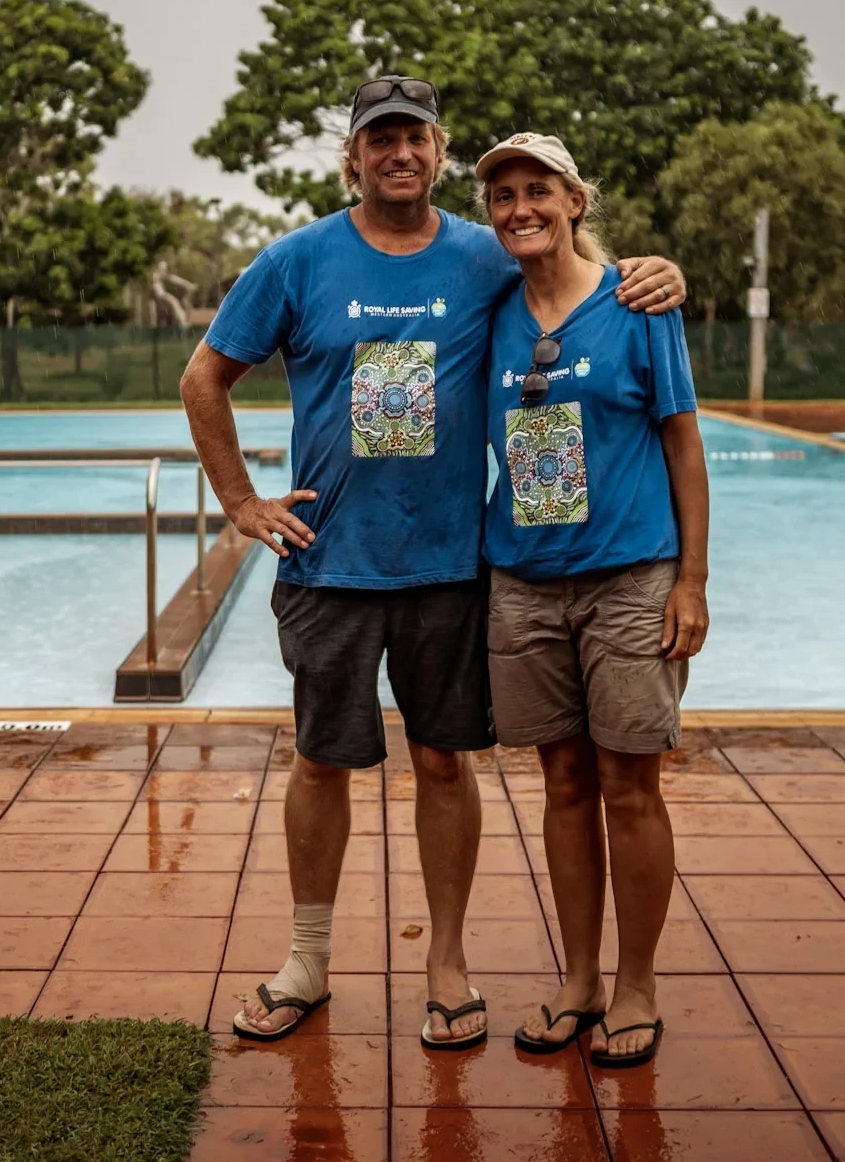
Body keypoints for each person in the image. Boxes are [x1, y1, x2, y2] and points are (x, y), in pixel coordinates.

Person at [179, 79, 686, 1049]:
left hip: (453, 568)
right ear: (353, 158)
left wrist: (652, 275)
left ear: (437, 149)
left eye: (412, 137)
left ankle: (446, 965)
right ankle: (308, 960)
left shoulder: (482, 255)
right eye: (379, 140)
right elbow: (203, 376)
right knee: (321, 760)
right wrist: (240, 503)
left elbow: (567, 275)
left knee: (444, 763)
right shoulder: (295, 261)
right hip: (330, 564)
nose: (397, 153)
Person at [474, 133, 708, 1070]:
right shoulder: (488, 308)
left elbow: (684, 445)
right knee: (562, 784)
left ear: (576, 200)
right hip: (524, 580)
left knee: (630, 784)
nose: (519, 208)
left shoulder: (637, 303)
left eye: (538, 190)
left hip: (629, 576)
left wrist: (691, 579)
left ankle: (638, 983)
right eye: (502, 195)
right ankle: (579, 977)